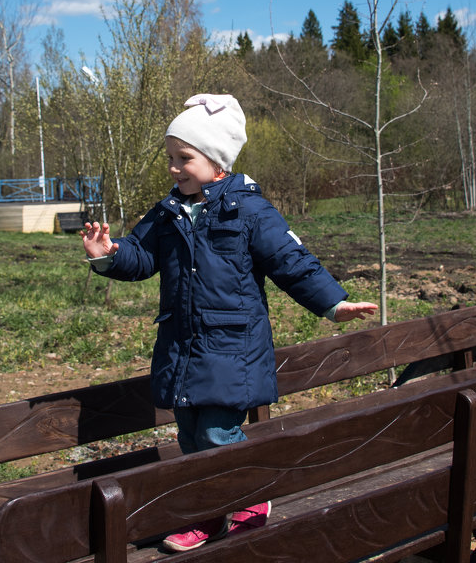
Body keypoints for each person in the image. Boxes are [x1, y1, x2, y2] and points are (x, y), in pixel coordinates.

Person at [81, 93, 377, 553]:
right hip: (182, 347)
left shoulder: (248, 210)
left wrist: (333, 304)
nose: (175, 168)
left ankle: (238, 508)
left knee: (219, 434)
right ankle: (215, 510)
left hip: (232, 349)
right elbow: (141, 258)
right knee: (189, 435)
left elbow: (290, 261)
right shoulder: (167, 212)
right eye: (171, 158)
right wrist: (110, 255)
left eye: (185, 158)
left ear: (217, 161)